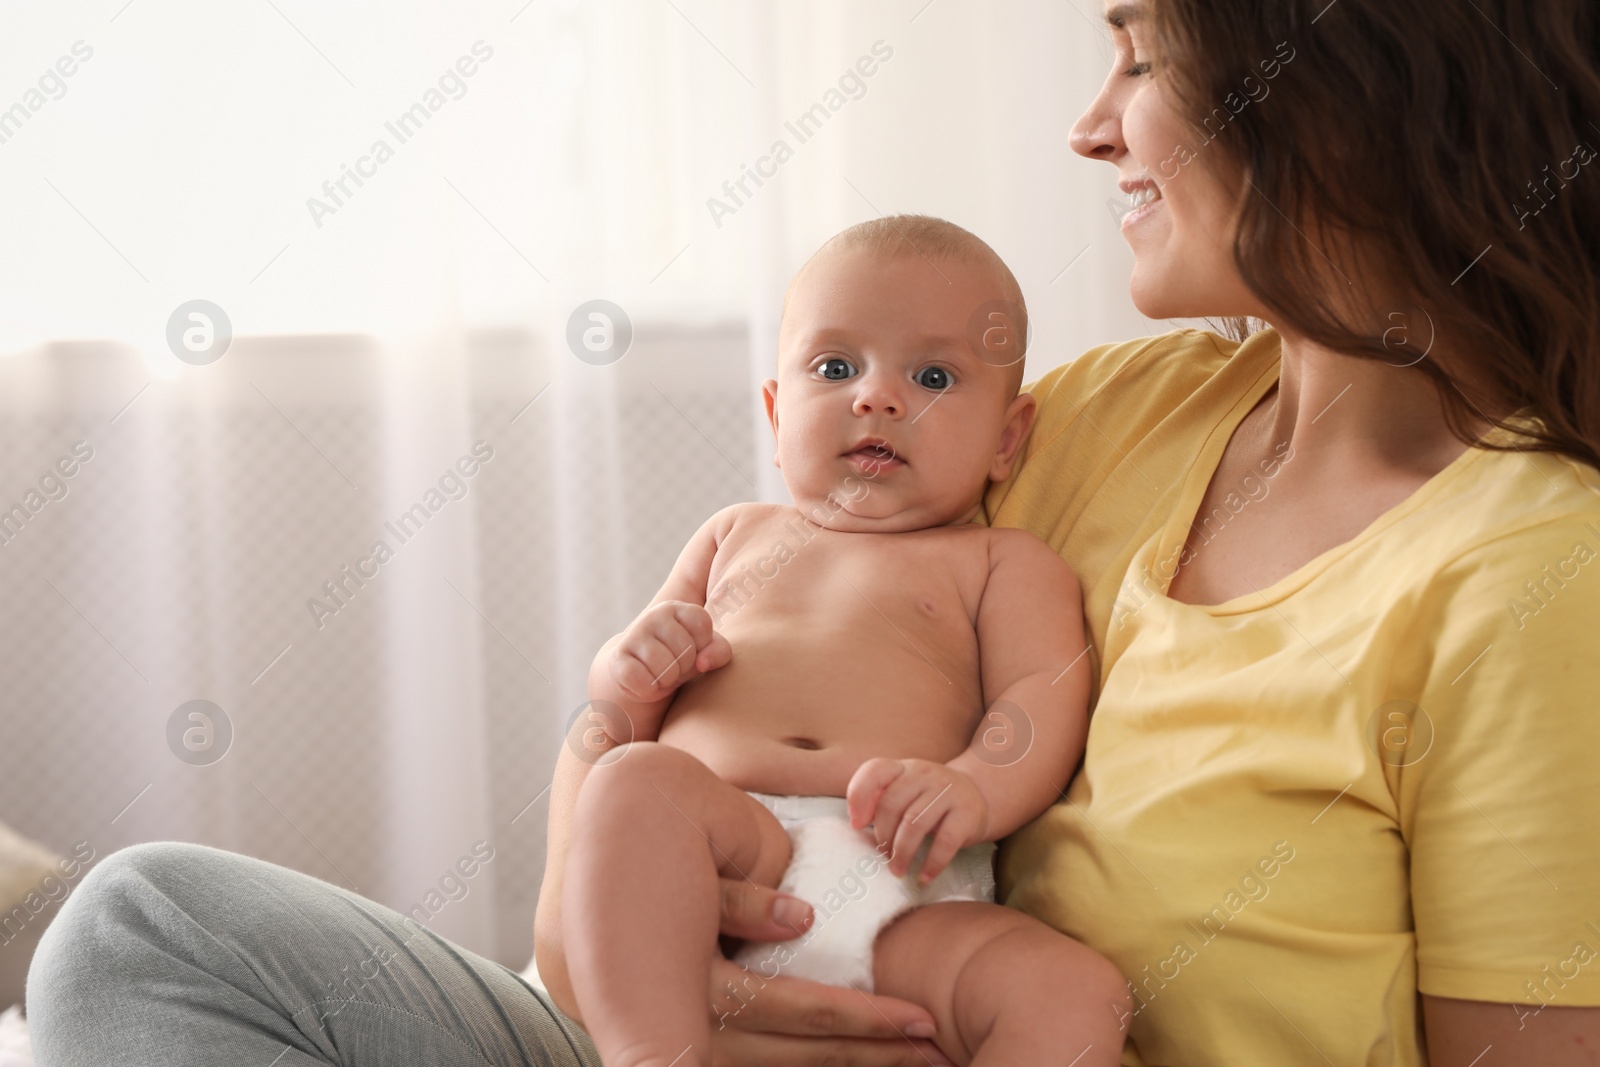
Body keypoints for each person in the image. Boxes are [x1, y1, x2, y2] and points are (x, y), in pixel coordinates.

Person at [26, 0, 1600, 1063]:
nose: (1089, 126)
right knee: (139, 922)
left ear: (1342, 79)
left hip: (945, 1012)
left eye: (1136, 50)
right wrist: (644, 848)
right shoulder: (1112, 415)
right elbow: (598, 876)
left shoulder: (1531, 572)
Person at [553, 216, 1127, 1067]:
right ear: (777, 413)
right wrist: (630, 665)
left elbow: (1042, 693)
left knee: (1075, 992)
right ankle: (652, 1056)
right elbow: (618, 713)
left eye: (932, 375)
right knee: (635, 782)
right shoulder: (732, 535)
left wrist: (972, 785)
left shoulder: (1000, 561)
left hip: (906, 883)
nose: (877, 397)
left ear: (1007, 440)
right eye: (835, 367)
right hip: (720, 851)